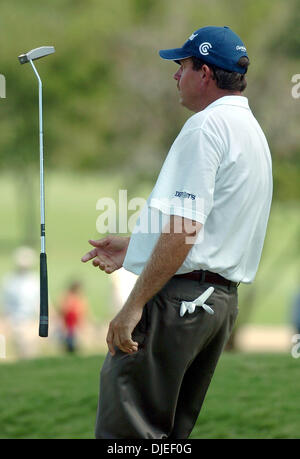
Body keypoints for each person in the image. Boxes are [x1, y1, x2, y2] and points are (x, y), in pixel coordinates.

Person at [81, 26, 273, 439]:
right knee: (168, 439)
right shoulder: (252, 132)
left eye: (181, 65)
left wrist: (134, 305)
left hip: (180, 304)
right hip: (217, 306)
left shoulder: (206, 127)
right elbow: (213, 231)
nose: (175, 75)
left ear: (204, 73)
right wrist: (136, 247)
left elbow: (185, 229)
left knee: (129, 436)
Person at [1, 246, 39, 358]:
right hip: (12, 321)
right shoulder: (9, 280)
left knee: (28, 349)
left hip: (30, 322)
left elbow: (39, 303)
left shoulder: (34, 280)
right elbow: (5, 305)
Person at [58, 281, 88, 353]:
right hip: (68, 325)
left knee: (74, 342)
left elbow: (83, 312)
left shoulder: (80, 299)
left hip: (74, 326)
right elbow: (63, 310)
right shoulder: (68, 297)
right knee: (68, 341)